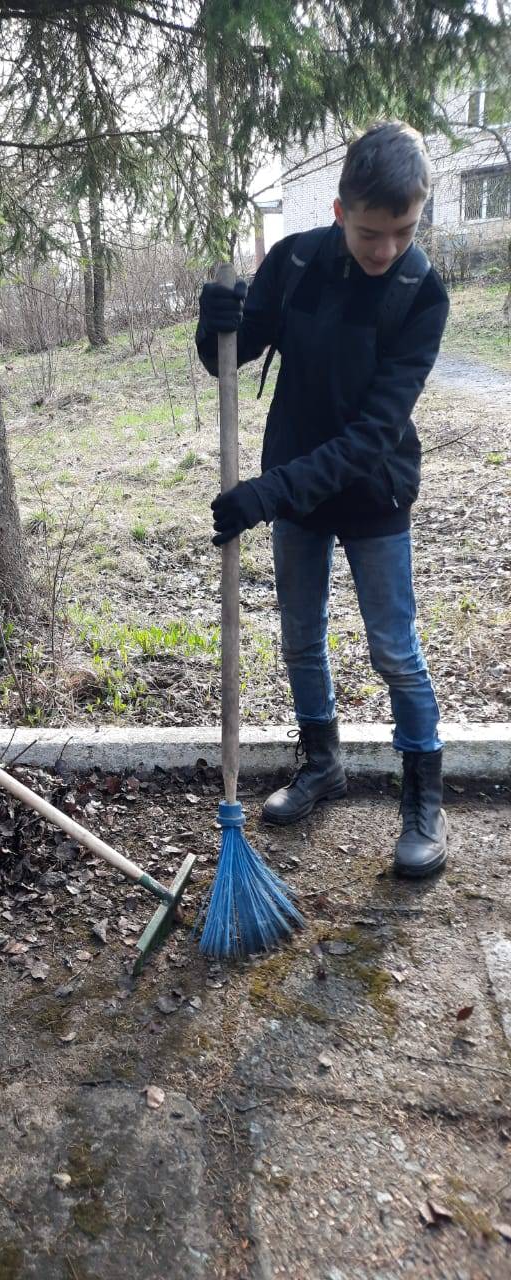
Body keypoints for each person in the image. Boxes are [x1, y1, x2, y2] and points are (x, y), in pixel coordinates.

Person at [195, 122, 450, 879]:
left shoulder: (420, 292)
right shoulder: (296, 261)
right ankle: (323, 764)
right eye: (372, 233)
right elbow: (232, 363)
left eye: (404, 231)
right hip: (295, 492)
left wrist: (267, 491)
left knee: (394, 651)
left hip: (372, 492)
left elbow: (374, 434)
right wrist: (215, 329)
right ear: (341, 213)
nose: (387, 250)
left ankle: (421, 802)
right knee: (301, 638)